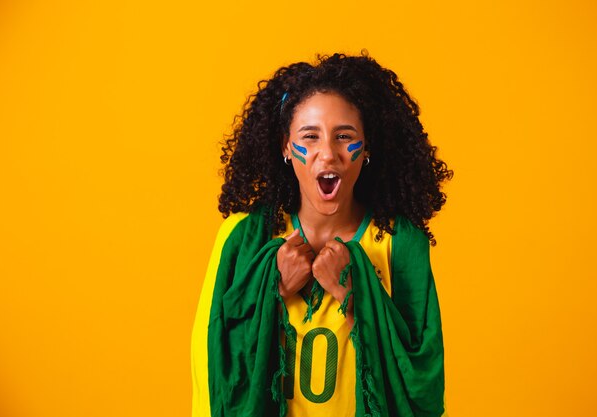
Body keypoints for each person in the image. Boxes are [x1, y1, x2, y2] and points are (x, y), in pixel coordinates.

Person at [191, 51, 453, 417]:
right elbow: (211, 353)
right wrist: (272, 288)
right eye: (309, 137)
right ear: (286, 145)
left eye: (344, 136)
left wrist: (354, 294)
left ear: (368, 147)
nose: (327, 154)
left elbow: (423, 377)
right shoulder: (242, 236)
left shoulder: (399, 241)